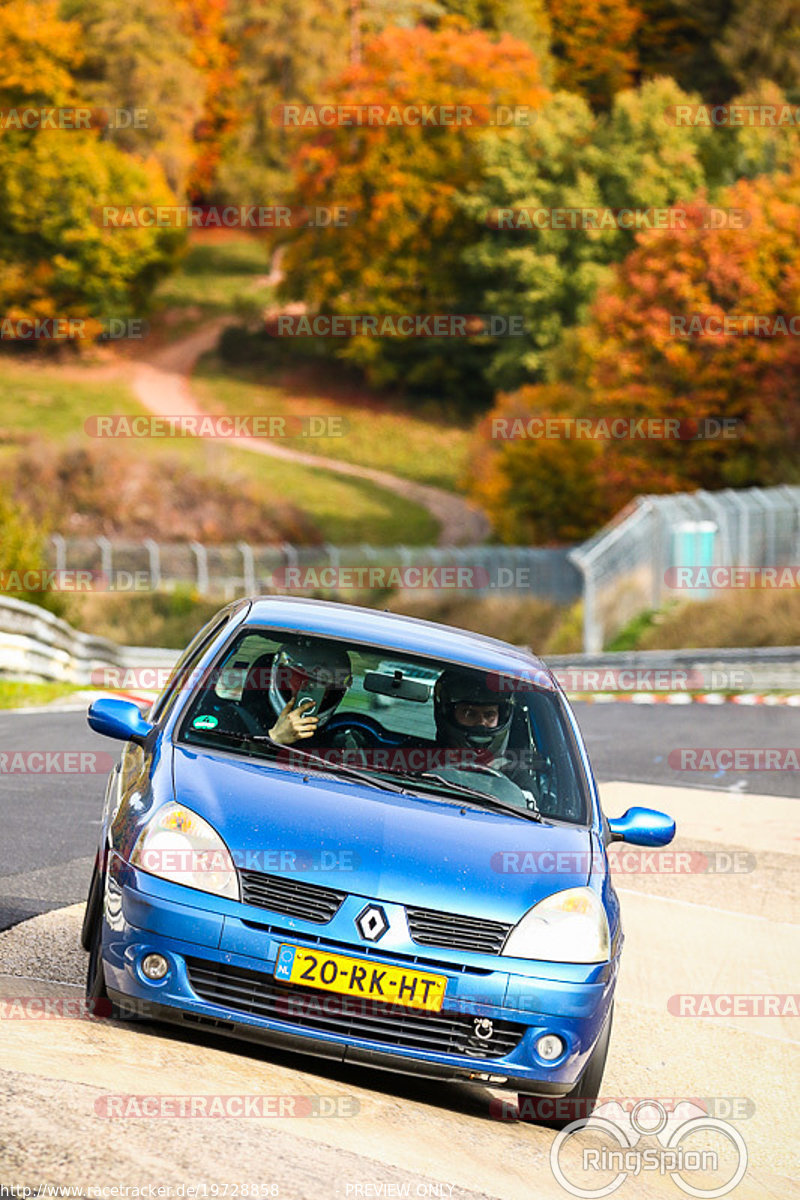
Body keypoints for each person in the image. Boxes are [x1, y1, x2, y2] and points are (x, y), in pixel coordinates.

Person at [266, 639, 352, 746]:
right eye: (300, 679)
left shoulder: (339, 742)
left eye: (322, 683)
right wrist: (275, 738)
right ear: (282, 678)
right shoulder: (243, 724)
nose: (308, 689)